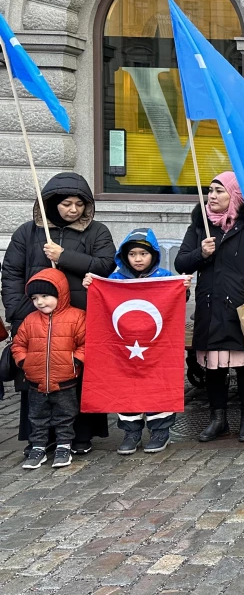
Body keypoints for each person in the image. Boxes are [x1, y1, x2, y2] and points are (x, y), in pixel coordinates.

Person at [2, 172, 115, 456]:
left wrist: (64, 256)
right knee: (37, 380)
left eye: (79, 204)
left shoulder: (97, 232)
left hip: (79, 319)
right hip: (34, 318)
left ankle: (80, 435)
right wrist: (17, 309)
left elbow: (105, 265)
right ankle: (40, 436)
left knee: (76, 377)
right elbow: (12, 272)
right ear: (52, 203)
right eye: (67, 203)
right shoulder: (26, 233)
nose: (73, 209)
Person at [175, 172, 244, 444]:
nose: (211, 196)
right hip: (210, 309)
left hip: (243, 311)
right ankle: (218, 419)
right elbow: (181, 263)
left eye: (218, 191)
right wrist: (200, 253)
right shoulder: (200, 226)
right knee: (213, 368)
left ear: (235, 195)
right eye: (210, 190)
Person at [83, 229, 183, 454]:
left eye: (143, 254)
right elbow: (102, 300)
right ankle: (131, 432)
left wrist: (181, 290)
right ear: (124, 256)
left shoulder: (165, 277)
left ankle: (160, 431)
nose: (138, 259)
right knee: (125, 386)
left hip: (157, 348)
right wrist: (93, 285)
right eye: (133, 254)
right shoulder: (115, 279)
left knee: (159, 384)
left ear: (153, 255)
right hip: (122, 348)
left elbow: (176, 301)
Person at [14, 269, 87, 470]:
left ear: (60, 294)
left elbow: (86, 343)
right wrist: (23, 362)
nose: (40, 302)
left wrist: (76, 360)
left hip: (65, 380)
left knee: (65, 415)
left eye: (46, 296)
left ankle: (64, 445)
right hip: (36, 381)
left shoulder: (77, 317)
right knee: (37, 416)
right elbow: (18, 344)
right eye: (35, 298)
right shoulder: (30, 320)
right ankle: (38, 447)